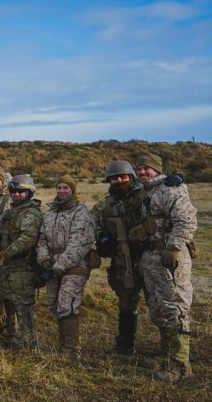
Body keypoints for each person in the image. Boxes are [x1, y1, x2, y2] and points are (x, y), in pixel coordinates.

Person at [134, 153, 197, 382]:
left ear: (157, 170)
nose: (142, 172)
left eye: (147, 169)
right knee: (159, 306)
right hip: (152, 258)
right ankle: (167, 355)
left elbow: (187, 220)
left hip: (170, 257)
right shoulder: (147, 192)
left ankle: (180, 366)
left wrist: (173, 247)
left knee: (175, 306)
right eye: (139, 169)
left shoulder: (171, 189)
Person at [91, 160, 147, 355]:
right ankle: (124, 346)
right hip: (123, 260)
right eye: (114, 178)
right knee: (126, 303)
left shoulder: (146, 195)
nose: (119, 180)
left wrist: (177, 180)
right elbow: (92, 226)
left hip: (149, 257)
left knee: (161, 303)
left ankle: (174, 350)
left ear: (131, 177)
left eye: (123, 177)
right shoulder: (105, 205)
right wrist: (102, 238)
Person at [36, 175, 95, 358]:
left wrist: (60, 265)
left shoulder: (81, 212)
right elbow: (42, 239)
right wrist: (44, 260)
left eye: (66, 188)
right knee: (54, 304)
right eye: (59, 187)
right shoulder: (51, 212)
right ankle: (63, 345)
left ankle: (71, 350)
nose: (62, 191)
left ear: (73, 190)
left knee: (67, 304)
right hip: (53, 265)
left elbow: (80, 243)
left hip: (75, 266)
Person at [0, 175, 43, 350]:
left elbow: (28, 238)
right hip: (7, 266)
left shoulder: (31, 213)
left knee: (22, 305)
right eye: (13, 191)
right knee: (9, 301)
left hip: (23, 266)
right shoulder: (10, 213)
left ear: (29, 193)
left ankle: (27, 341)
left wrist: (8, 253)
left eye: (20, 192)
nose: (16, 195)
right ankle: (11, 335)